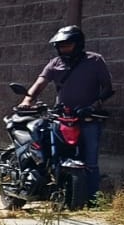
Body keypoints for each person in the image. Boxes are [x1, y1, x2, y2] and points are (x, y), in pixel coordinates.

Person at [20, 25, 113, 200]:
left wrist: (94, 105)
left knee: (90, 161)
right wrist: (27, 100)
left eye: (67, 45)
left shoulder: (95, 61)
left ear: (78, 44)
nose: (63, 49)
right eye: (60, 46)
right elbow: (40, 83)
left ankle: (93, 199)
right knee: (53, 152)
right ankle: (53, 190)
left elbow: (107, 89)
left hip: (88, 118)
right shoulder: (55, 63)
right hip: (62, 117)